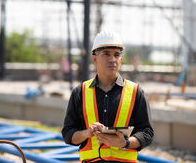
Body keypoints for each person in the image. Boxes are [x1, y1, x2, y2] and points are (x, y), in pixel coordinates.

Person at [62, 30, 154, 162]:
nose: (112, 59)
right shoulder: (80, 92)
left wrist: (125, 143)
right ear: (95, 59)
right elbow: (67, 134)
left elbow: (147, 133)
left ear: (121, 60)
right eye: (106, 54)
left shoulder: (135, 92)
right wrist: (87, 133)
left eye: (116, 55)